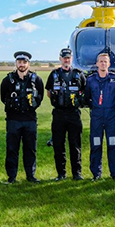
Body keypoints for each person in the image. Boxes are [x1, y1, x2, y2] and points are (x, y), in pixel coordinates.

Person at [0, 51, 44, 184]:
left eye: (24, 62)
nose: (22, 65)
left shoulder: (36, 80)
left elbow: (40, 97)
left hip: (30, 120)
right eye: (19, 62)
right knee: (12, 148)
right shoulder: (8, 80)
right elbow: (3, 97)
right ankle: (11, 177)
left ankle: (31, 175)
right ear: (16, 63)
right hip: (13, 120)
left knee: (30, 148)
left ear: (28, 64)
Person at [45, 48, 87, 181]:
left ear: (71, 58)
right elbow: (48, 92)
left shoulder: (79, 74)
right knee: (58, 145)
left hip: (74, 114)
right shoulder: (54, 74)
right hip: (58, 114)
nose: (66, 60)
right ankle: (61, 173)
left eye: (68, 57)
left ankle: (77, 173)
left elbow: (85, 91)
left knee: (75, 145)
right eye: (64, 57)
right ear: (60, 58)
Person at [84, 53, 115, 181]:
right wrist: (95, 108)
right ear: (96, 63)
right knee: (96, 145)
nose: (103, 64)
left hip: (111, 116)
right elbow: (86, 97)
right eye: (100, 61)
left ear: (109, 64)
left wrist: (113, 107)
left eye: (105, 61)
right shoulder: (90, 80)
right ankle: (96, 173)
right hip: (96, 117)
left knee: (113, 144)